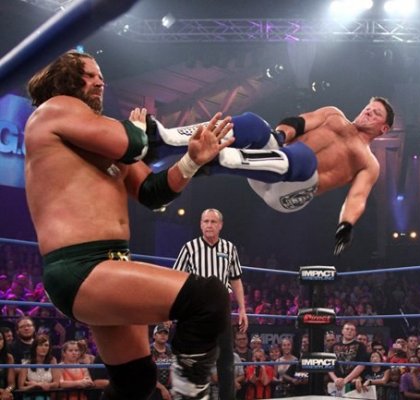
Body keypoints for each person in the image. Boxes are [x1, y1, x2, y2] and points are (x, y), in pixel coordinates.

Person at [24, 50, 233, 399]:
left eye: (101, 75)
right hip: (81, 267)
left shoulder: (100, 134)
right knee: (208, 297)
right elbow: (133, 142)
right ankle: (189, 392)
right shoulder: (55, 108)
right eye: (90, 75)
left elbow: (152, 192)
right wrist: (136, 129)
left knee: (135, 381)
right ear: (66, 78)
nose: (100, 81)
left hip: (111, 264)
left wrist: (192, 161)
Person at [154, 97, 395, 255]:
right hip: (270, 165)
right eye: (368, 108)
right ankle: (167, 140)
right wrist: (279, 135)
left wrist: (346, 225)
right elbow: (299, 122)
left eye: (375, 114)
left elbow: (357, 197)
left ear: (383, 128)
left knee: (306, 158)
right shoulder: (333, 115)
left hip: (291, 192)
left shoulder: (369, 162)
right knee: (255, 124)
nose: (368, 112)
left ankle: (219, 160)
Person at [173, 207, 248, 400]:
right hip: (196, 310)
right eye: (205, 221)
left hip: (221, 308)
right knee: (195, 359)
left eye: (213, 222)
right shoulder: (189, 248)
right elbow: (176, 278)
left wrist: (242, 308)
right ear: (200, 224)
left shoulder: (229, 248)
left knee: (226, 360)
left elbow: (236, 279)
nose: (209, 225)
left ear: (220, 225)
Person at [17, 335, 60, 400]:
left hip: (47, 397)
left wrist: (45, 385)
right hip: (30, 397)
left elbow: (56, 384)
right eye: (40, 345)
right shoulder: (26, 363)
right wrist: (35, 386)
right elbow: (21, 387)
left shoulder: (52, 361)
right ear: (35, 347)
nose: (44, 348)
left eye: (46, 345)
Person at [0, 330, 16, 399]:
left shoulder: (9, 358)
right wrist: (1, 391)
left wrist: (7, 391)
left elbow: (12, 384)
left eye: (0, 339)